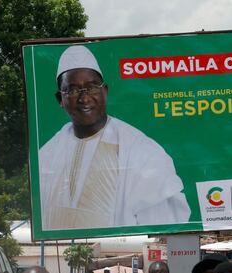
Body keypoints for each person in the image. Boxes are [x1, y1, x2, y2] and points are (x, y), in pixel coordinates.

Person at [39, 45, 190, 230]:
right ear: (60, 100)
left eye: (92, 87)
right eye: (72, 90)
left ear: (105, 91)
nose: (84, 99)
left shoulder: (142, 151)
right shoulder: (46, 155)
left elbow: (166, 227)